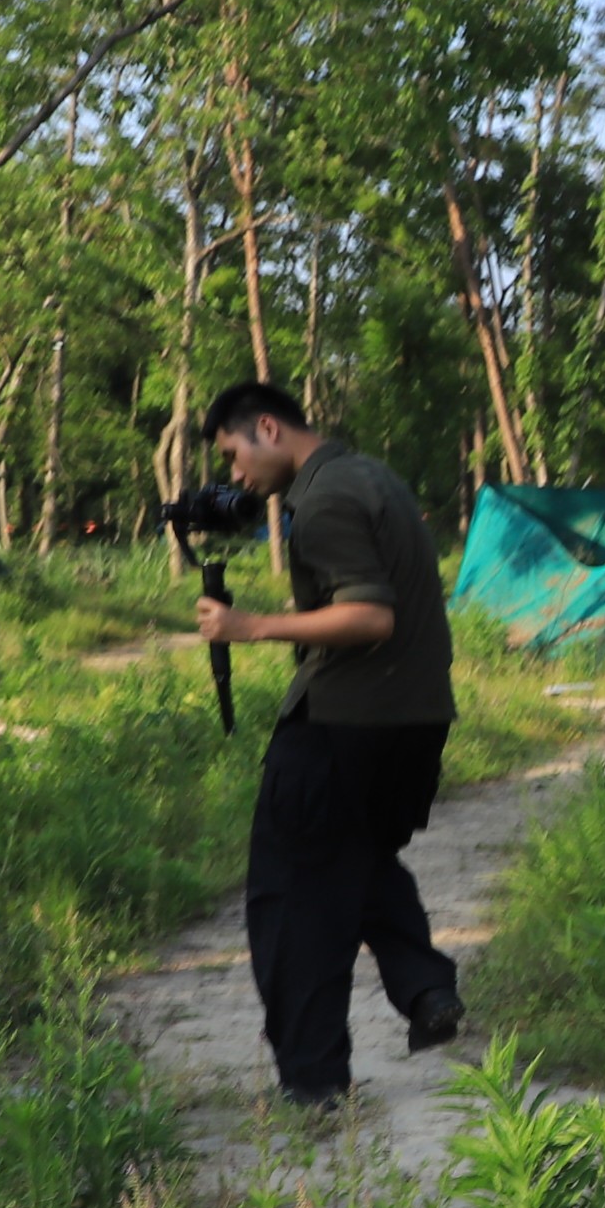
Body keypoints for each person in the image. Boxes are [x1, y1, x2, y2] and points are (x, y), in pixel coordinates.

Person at [190, 382, 462, 1116]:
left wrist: (251, 628)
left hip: (344, 722)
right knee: (358, 856)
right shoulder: (372, 476)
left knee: (294, 903)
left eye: (234, 454)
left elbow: (371, 615)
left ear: (268, 428)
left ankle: (313, 1084)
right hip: (416, 722)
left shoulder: (325, 500)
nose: (236, 476)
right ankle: (426, 986)